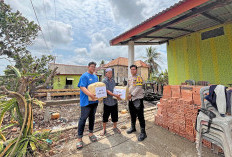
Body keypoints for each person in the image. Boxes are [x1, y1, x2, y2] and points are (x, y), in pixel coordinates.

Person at [76, 62, 99, 149]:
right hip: (86, 102)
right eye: (92, 66)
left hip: (94, 102)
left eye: (94, 67)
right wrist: (91, 95)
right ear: (88, 67)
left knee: (92, 118)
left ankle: (91, 133)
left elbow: (97, 87)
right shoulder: (84, 76)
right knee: (83, 119)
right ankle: (79, 139)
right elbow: (82, 87)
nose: (93, 68)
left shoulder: (95, 77)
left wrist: (98, 96)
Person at [127, 64, 147, 141]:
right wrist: (125, 94)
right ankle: (133, 127)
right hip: (131, 100)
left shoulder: (139, 77)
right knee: (132, 114)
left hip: (137, 99)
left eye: (134, 69)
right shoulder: (130, 78)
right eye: (131, 69)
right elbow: (128, 87)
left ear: (136, 70)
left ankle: (143, 132)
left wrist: (131, 94)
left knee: (140, 116)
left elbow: (139, 87)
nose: (133, 71)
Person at [101, 68, 121, 136]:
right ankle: (104, 129)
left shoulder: (113, 80)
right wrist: (116, 95)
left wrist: (118, 96)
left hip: (114, 101)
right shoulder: (104, 81)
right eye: (109, 73)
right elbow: (107, 91)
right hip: (107, 102)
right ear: (106, 73)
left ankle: (114, 127)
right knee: (105, 116)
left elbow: (115, 89)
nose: (110, 74)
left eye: (111, 73)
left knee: (115, 115)